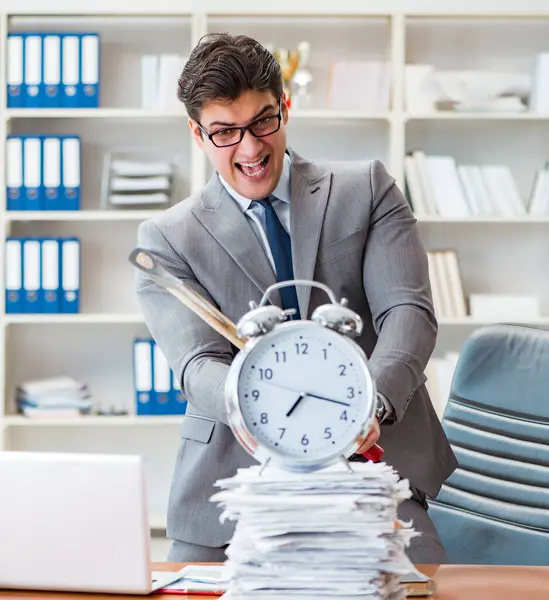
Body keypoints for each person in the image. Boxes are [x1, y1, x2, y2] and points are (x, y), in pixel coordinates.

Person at [135, 32, 458, 564]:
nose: (251, 148)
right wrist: (263, 412)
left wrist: (365, 406)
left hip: (375, 464)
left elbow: (408, 313)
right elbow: (197, 366)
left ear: (285, 107)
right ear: (197, 134)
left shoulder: (367, 189)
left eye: (263, 121)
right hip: (230, 480)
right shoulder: (168, 238)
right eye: (225, 132)